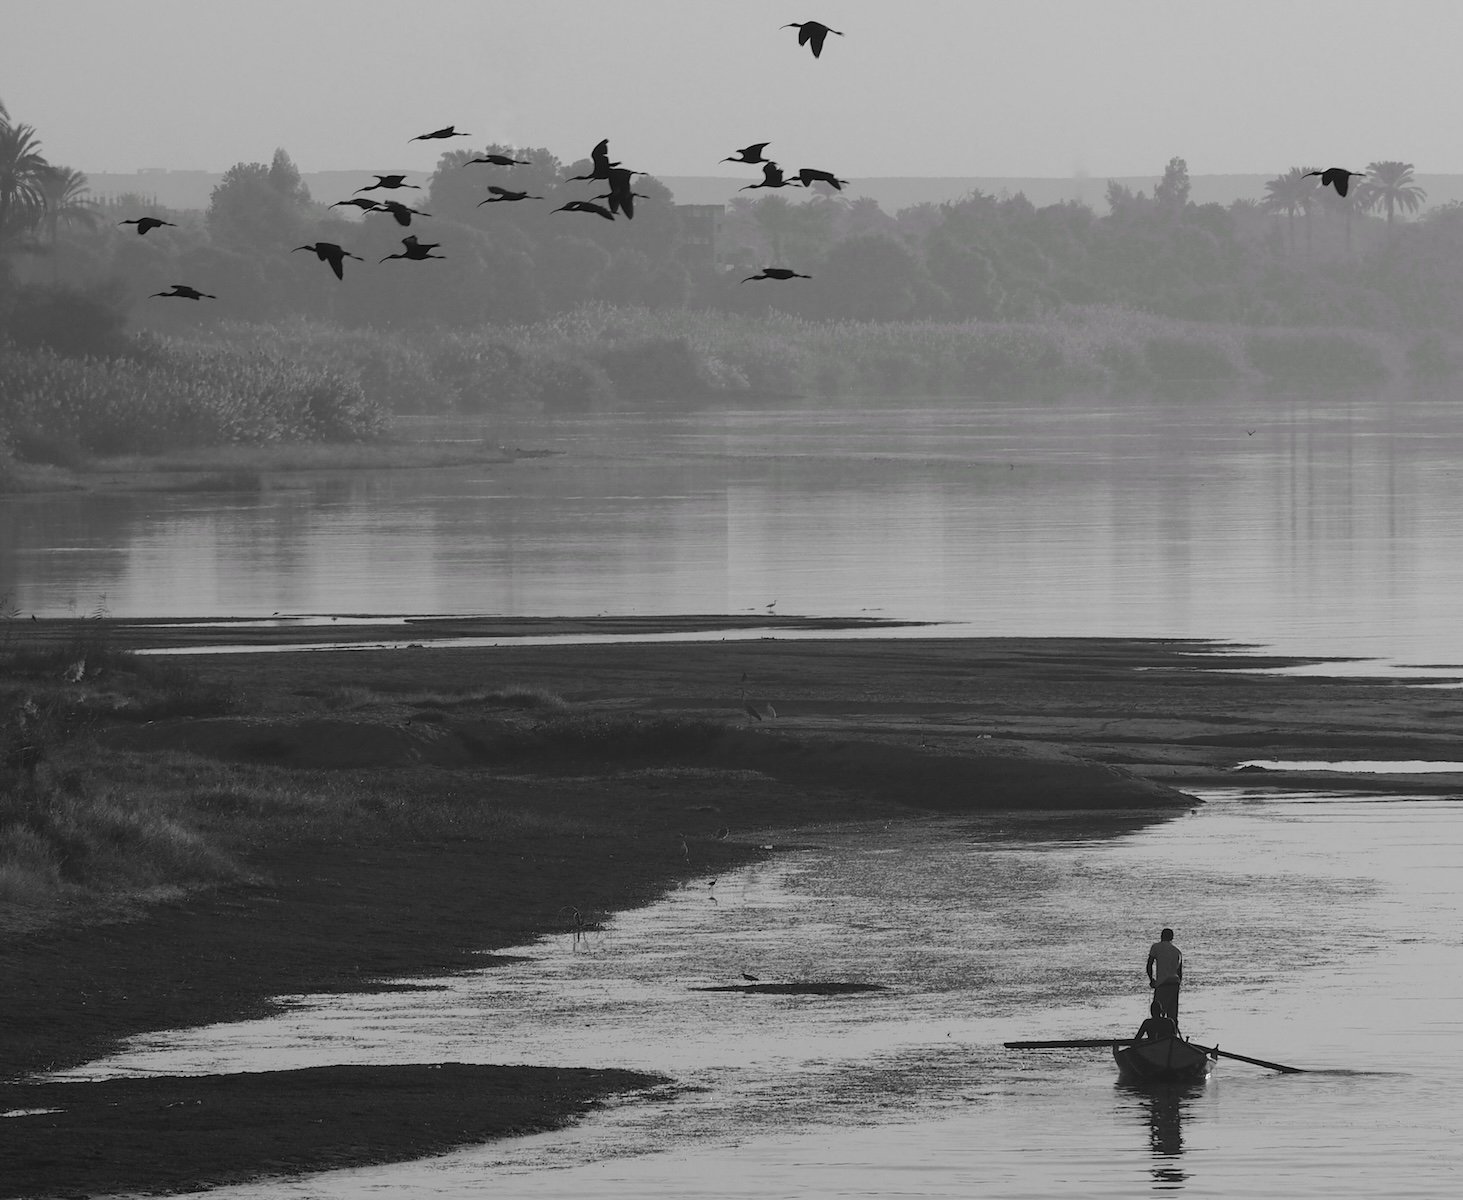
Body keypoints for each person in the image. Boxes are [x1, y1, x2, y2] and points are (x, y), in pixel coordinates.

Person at [1147, 927, 1183, 1022]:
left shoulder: (1156, 947)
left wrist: (1151, 980)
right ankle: (1172, 1033)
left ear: (1161, 936)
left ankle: (1157, 1034)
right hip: (1174, 984)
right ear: (1172, 938)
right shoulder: (1177, 951)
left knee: (1157, 1012)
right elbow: (1180, 973)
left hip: (1162, 984)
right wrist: (1178, 986)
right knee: (1172, 1014)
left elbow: (1149, 964)